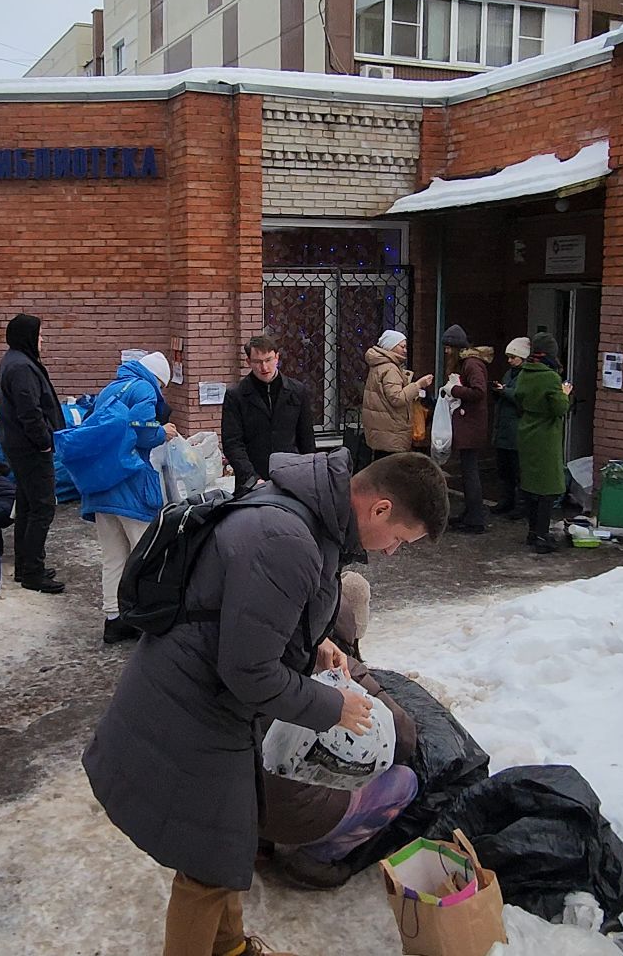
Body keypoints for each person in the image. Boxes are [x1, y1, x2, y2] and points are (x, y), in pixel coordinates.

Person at [83, 450, 450, 956]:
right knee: (207, 869)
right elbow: (247, 672)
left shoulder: (306, 516)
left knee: (225, 846)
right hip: (194, 711)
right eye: (401, 541)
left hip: (209, 706)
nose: (392, 553)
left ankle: (230, 947)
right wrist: (330, 708)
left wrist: (315, 642)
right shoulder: (288, 538)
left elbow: (242, 614)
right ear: (381, 509)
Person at [259, 571, 421, 891]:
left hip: (239, 805)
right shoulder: (344, 667)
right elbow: (404, 738)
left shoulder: (263, 648)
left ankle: (258, 846)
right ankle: (316, 857)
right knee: (404, 782)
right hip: (298, 816)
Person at [72, 352, 178, 645]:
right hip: (129, 485)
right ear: (158, 379)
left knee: (113, 557)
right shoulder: (144, 389)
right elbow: (141, 432)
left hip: (101, 486)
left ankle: (114, 620)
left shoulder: (111, 388)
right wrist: (162, 432)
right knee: (146, 554)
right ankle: (148, 618)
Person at [0, 314, 66, 594]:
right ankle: (33, 572)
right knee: (43, 506)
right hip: (29, 448)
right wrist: (44, 441)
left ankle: (26, 567)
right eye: (39, 335)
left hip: (18, 445)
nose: (42, 340)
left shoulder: (14, 360)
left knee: (26, 504)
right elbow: (29, 411)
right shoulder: (22, 367)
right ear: (27, 337)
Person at [220, 335, 315, 489]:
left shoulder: (297, 391)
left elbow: (306, 439)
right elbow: (232, 443)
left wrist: (308, 474)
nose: (264, 368)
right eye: (257, 362)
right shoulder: (236, 396)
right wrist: (252, 478)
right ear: (249, 362)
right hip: (252, 480)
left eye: (268, 360)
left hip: (291, 476)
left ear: (277, 357)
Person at [510, 346, 572, 553]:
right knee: (548, 487)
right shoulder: (551, 378)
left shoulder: (524, 373)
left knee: (530, 484)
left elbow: (518, 398)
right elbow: (560, 408)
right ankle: (542, 536)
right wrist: (565, 393)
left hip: (526, 432)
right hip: (546, 436)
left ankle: (532, 531)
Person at [441, 325, 492, 535]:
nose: (445, 351)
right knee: (467, 470)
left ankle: (475, 518)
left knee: (470, 472)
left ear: (456, 347)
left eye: (448, 347)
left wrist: (454, 390)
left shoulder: (471, 364)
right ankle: (471, 513)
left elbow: (479, 391)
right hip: (469, 424)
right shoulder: (468, 363)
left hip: (471, 425)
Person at [360, 330, 432, 461]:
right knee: (392, 470)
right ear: (390, 346)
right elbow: (397, 399)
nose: (405, 350)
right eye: (402, 346)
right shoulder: (390, 369)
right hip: (392, 432)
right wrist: (418, 385)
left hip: (382, 430)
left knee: (381, 468)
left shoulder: (379, 365)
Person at [490, 337, 531, 519]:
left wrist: (504, 391)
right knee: (504, 469)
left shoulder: (526, 375)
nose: (509, 360)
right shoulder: (510, 373)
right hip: (504, 429)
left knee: (518, 471)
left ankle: (521, 505)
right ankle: (506, 501)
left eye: (513, 357)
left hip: (516, 430)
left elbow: (522, 398)